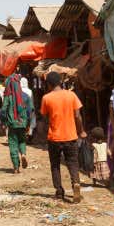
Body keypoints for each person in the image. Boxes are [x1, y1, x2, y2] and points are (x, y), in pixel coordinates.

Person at [39, 71, 85, 203]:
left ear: (48, 84)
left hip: (54, 137)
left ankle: (59, 191)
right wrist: (81, 131)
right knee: (73, 163)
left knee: (55, 165)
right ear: (60, 82)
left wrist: (43, 135)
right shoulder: (71, 95)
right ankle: (75, 183)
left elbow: (44, 117)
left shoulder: (46, 98)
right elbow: (77, 116)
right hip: (70, 136)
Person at [0, 73, 31, 173]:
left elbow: (3, 110)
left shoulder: (7, 96)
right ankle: (23, 154)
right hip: (23, 123)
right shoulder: (25, 96)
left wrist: (4, 122)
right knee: (22, 140)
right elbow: (30, 111)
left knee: (13, 144)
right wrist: (28, 123)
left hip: (12, 124)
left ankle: (16, 167)